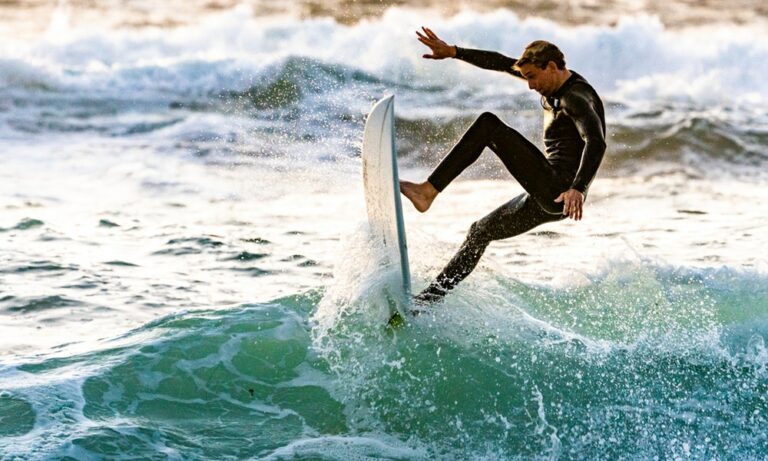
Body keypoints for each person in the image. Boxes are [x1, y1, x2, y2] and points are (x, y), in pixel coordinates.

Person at [402, 27, 606, 305]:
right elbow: (499, 62)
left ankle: (427, 191)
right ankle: (425, 303)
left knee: (488, 126)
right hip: (548, 196)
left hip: (559, 190)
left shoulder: (575, 97)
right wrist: (453, 52)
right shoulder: (551, 83)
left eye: (532, 77)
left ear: (551, 67)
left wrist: (578, 189)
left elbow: (596, 141)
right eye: (526, 77)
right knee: (480, 232)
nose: (530, 86)